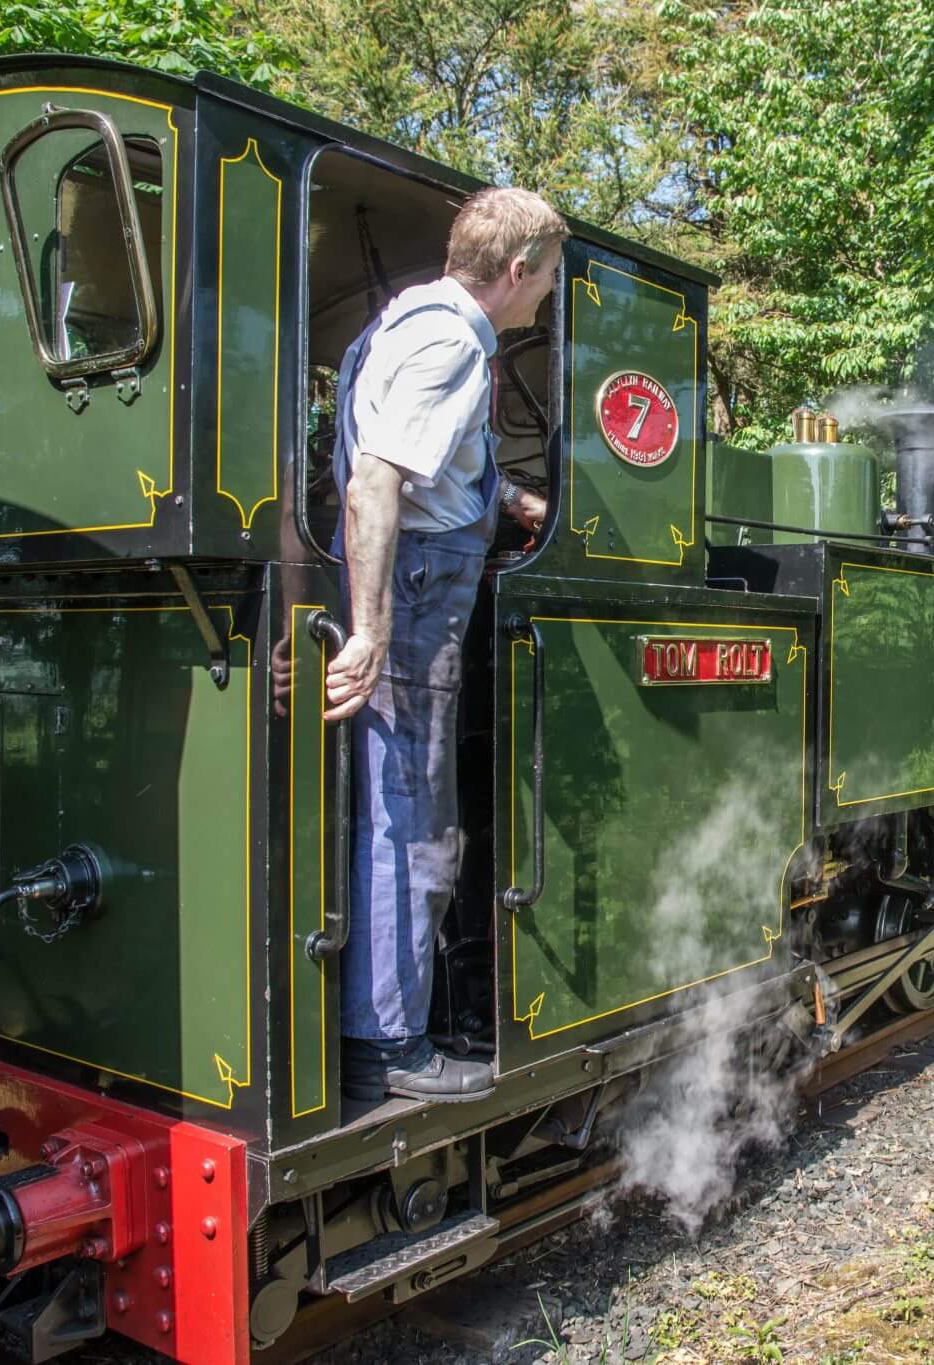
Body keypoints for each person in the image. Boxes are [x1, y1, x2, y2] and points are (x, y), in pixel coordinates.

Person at [323, 187, 564, 1103]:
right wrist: (373, 628)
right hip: (417, 595)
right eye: (545, 281)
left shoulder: (406, 322)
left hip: (426, 576)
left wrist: (514, 502)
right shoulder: (454, 342)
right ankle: (387, 1041)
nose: (544, 298)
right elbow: (376, 482)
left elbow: (436, 466)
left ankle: (385, 1025)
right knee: (411, 813)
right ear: (516, 270)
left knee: (410, 803)